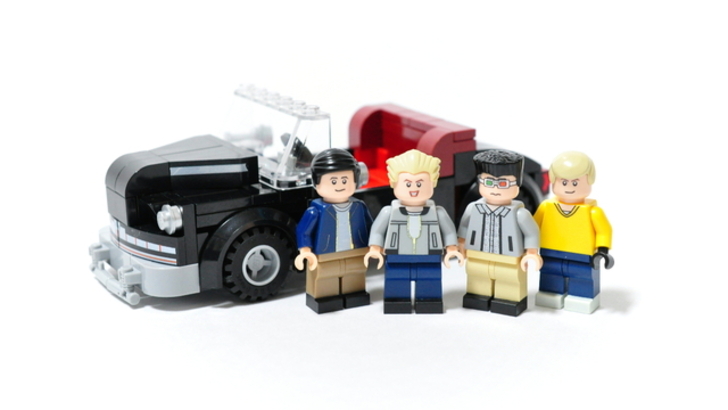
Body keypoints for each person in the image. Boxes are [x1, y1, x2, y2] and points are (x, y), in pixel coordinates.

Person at [364, 149, 463, 314]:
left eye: (420, 183)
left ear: (432, 184)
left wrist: (452, 249)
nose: (414, 189)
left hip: (429, 256)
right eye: (408, 184)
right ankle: (396, 301)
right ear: (394, 184)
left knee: (429, 279)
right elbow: (377, 231)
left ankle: (429, 301)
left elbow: (449, 232)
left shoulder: (438, 212)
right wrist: (375, 248)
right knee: (396, 279)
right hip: (397, 256)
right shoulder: (389, 212)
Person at [457, 149, 542, 317]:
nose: (495, 188)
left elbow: (531, 233)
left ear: (517, 184)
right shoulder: (473, 208)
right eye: (489, 182)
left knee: (509, 279)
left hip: (509, 257)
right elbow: (464, 227)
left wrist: (531, 252)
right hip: (477, 253)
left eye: (503, 184)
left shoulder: (520, 214)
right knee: (477, 276)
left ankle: (509, 300)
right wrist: (460, 244)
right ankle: (478, 297)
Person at [534, 151, 614, 314]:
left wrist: (602, 250)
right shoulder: (546, 207)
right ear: (554, 181)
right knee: (550, 274)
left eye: (575, 183)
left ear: (589, 181)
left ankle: (583, 297)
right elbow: (533, 227)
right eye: (564, 182)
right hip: (550, 252)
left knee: (583, 276)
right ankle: (551, 293)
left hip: (582, 255)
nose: (569, 187)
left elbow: (604, 231)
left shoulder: (593, 212)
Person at [295, 149, 373, 313]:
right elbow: (303, 231)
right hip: (325, 254)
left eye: (345, 180)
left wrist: (374, 246)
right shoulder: (315, 211)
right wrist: (305, 251)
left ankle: (354, 294)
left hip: (356, 251)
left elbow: (371, 226)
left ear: (355, 180)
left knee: (355, 273)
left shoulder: (359, 207)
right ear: (316, 183)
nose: (340, 185)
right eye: (333, 181)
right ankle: (325, 298)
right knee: (324, 276)